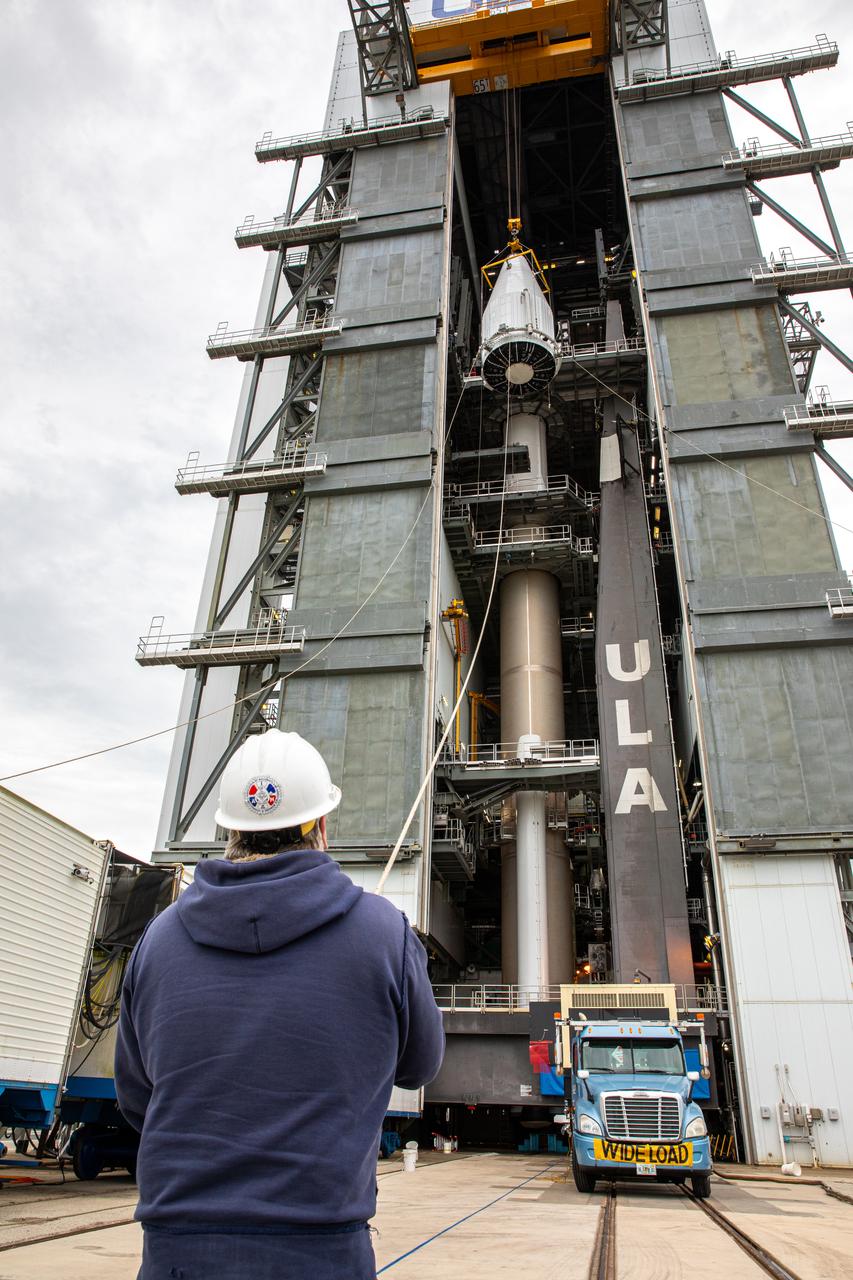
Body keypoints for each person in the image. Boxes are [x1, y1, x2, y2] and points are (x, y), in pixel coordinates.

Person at [115, 729, 445, 1280]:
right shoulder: (383, 931)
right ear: (320, 825)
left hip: (177, 1251)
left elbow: (136, 1097)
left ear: (228, 828)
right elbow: (420, 1066)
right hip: (323, 1249)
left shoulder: (159, 938)